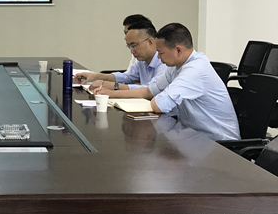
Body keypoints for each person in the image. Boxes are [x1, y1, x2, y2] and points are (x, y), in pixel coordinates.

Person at [93, 23, 240, 141]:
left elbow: (158, 105)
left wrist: (156, 96)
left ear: (178, 50)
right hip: (193, 136)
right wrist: (110, 94)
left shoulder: (194, 70)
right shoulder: (176, 67)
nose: (158, 57)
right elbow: (148, 91)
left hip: (219, 144)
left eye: (161, 52)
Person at [75, 20, 166, 92]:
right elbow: (126, 77)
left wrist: (114, 86)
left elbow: (150, 89)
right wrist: (96, 76)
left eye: (134, 45)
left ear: (150, 42)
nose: (132, 51)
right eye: (129, 46)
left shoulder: (164, 62)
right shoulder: (142, 62)